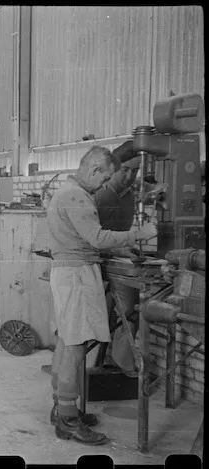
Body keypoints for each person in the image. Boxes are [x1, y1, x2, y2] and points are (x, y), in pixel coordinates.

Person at [46, 146, 158, 446]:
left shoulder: (68, 191)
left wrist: (119, 247)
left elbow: (87, 239)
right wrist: (140, 234)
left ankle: (62, 409)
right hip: (77, 275)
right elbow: (96, 236)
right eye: (105, 178)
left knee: (68, 342)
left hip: (72, 270)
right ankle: (68, 420)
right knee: (77, 346)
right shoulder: (77, 196)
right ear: (95, 169)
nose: (104, 184)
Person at [94, 141, 168, 377]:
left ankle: (122, 362)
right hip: (91, 258)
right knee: (92, 315)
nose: (128, 176)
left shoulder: (131, 193)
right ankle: (88, 361)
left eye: (134, 171)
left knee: (130, 310)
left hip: (119, 258)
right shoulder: (96, 193)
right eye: (124, 170)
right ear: (113, 168)